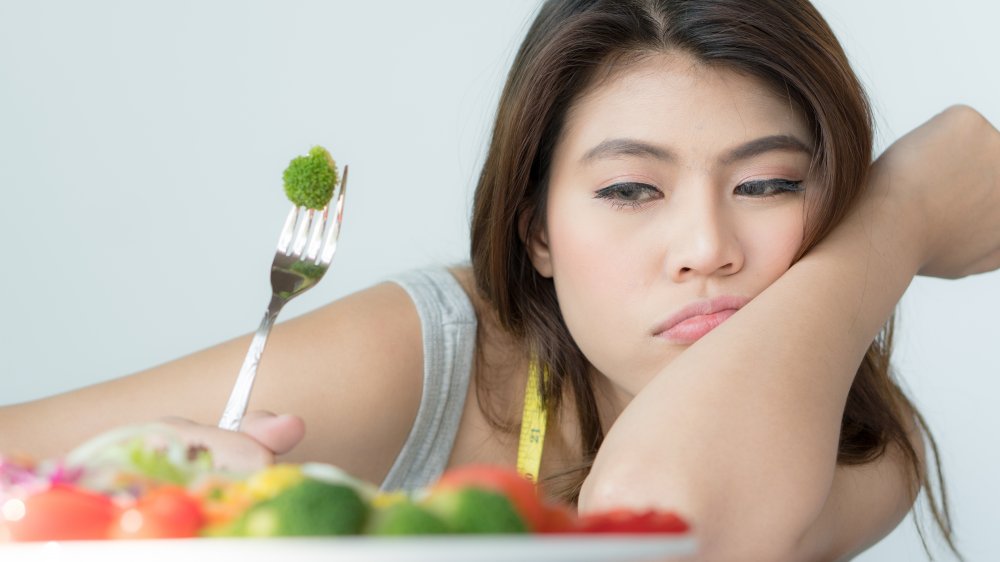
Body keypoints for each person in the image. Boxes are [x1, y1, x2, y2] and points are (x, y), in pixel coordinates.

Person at [2, 0, 999, 559]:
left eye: (770, 182)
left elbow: (670, 523)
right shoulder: (436, 353)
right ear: (535, 233)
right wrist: (131, 480)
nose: (706, 245)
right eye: (628, 190)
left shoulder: (851, 437)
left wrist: (897, 209)